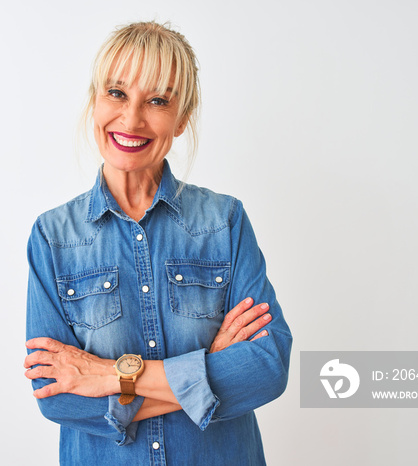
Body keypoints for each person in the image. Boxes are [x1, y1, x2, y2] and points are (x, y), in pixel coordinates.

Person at [24, 21, 292, 465]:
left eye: (157, 100)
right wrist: (204, 368)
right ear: (95, 100)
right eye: (116, 93)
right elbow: (58, 397)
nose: (131, 119)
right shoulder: (53, 237)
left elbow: (266, 367)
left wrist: (109, 375)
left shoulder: (224, 222)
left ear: (182, 117)